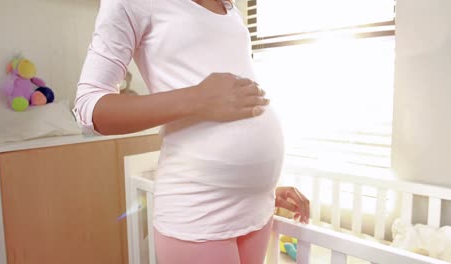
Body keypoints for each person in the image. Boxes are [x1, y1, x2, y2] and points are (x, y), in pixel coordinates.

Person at [73, 0, 310, 263]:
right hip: (200, 207)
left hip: (256, 206)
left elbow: (235, 94)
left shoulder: (231, 8)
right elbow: (89, 106)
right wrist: (197, 98)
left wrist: (258, 187)